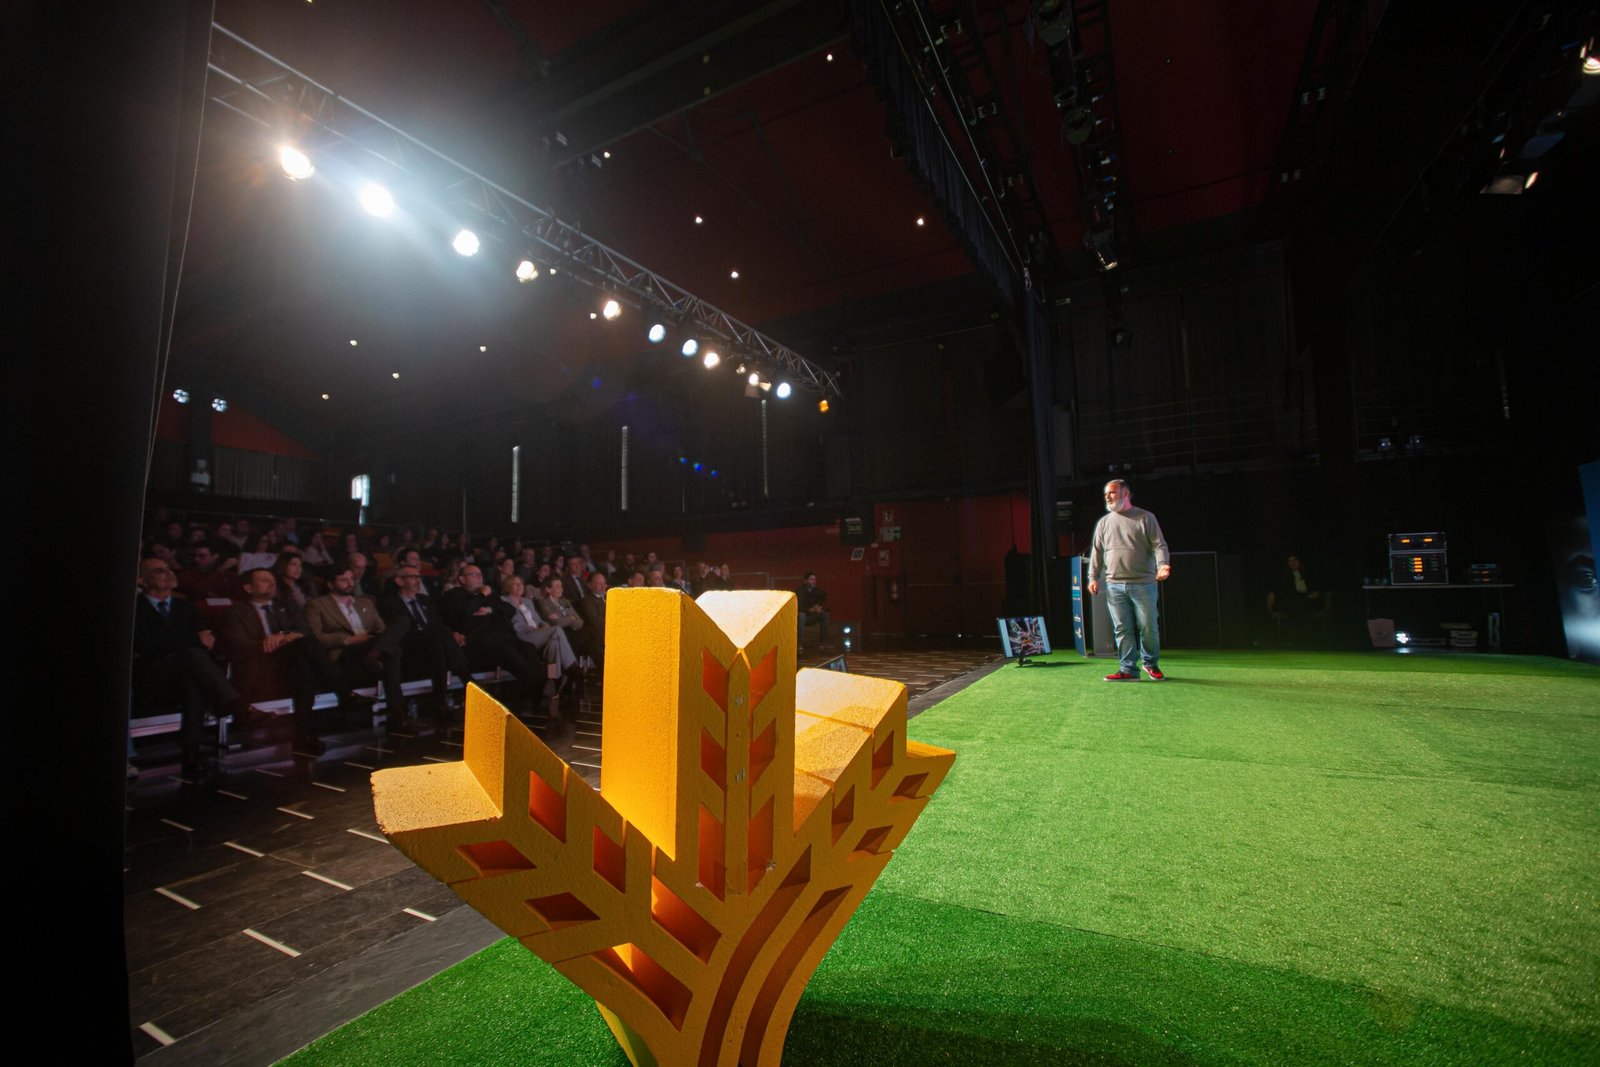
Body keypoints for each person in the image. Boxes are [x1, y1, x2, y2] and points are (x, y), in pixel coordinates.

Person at [132, 557, 247, 774]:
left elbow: (207, 642)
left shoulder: (186, 607)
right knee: (191, 656)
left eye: (169, 568)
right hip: (151, 677)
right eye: (159, 571)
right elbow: (146, 646)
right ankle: (235, 705)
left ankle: (191, 751)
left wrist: (183, 642)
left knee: (193, 679)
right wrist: (190, 640)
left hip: (184, 674)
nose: (169, 573)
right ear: (142, 581)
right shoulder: (135, 609)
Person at [1087, 479, 1171, 681]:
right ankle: (1128, 669)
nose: (1107, 496)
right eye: (1106, 493)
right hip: (1114, 584)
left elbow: (1159, 545)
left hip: (1143, 583)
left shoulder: (1146, 517)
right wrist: (1092, 577)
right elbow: (1096, 553)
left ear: (1125, 494)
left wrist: (1163, 565)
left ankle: (1150, 664)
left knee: (1148, 627)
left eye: (1112, 493)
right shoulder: (1104, 523)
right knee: (1122, 628)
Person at [305, 567, 406, 715]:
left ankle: (374, 654)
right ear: (331, 584)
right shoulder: (317, 604)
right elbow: (316, 637)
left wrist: (376, 642)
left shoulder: (365, 602)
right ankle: (398, 715)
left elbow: (382, 630)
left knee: (400, 624)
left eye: (351, 579)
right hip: (345, 651)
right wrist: (348, 640)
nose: (349, 583)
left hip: (370, 645)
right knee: (392, 648)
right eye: (344, 580)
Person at [379, 564, 471, 721]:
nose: (418, 581)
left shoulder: (425, 600)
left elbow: (438, 624)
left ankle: (441, 701)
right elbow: (398, 631)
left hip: (431, 645)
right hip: (408, 646)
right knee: (439, 638)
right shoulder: (390, 603)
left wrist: (451, 634)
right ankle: (469, 682)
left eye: (419, 577)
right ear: (400, 581)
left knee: (439, 641)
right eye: (413, 577)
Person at [797, 571, 831, 650]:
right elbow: (798, 607)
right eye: (811, 580)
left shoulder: (815, 590)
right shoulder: (800, 591)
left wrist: (818, 608)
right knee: (801, 615)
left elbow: (823, 598)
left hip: (812, 615)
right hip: (802, 616)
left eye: (814, 580)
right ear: (805, 581)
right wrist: (810, 610)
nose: (814, 582)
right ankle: (799, 644)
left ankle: (823, 643)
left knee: (825, 614)